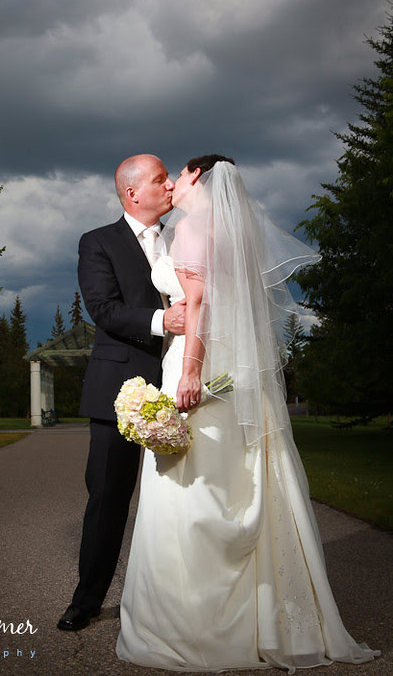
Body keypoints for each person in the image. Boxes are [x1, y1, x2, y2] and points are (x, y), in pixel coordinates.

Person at [117, 156, 380, 671]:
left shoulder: (193, 228)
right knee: (241, 479)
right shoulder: (235, 233)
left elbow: (199, 305)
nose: (173, 183)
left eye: (179, 175)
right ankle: (261, 617)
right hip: (236, 370)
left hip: (199, 365)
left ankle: (194, 624)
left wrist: (189, 372)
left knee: (189, 486)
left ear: (198, 177)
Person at [57, 153, 186, 632]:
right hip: (120, 391)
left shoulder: (184, 236)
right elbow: (103, 309)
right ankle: (87, 600)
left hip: (181, 383)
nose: (170, 184)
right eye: (160, 179)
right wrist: (163, 320)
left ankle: (179, 599)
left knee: (181, 495)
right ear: (132, 193)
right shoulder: (98, 242)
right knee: (109, 497)